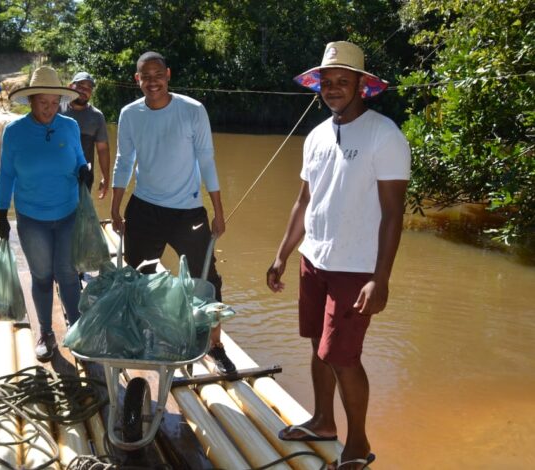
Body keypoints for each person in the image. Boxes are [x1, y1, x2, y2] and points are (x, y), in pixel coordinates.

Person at [266, 41, 410, 469]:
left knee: (342, 356)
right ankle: (324, 421)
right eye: (326, 82)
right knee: (317, 345)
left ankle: (359, 444)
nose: (332, 89)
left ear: (362, 86)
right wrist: (282, 255)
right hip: (316, 259)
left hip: (356, 268)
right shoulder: (316, 136)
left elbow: (393, 213)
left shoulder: (385, 135)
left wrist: (379, 278)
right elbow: (303, 202)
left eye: (342, 82)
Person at [111, 51, 236, 374]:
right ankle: (142, 334)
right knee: (139, 275)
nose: (152, 82)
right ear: (137, 80)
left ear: (168, 74)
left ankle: (214, 344)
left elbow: (207, 160)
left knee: (206, 278)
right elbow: (124, 160)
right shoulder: (129, 114)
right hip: (144, 208)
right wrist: (115, 206)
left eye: (158, 75)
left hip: (188, 211)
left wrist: (217, 211)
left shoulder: (192, 110)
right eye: (145, 77)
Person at [0, 65, 92, 361]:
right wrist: (1, 213)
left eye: (54, 104)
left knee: (67, 275)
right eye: (43, 103)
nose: (49, 109)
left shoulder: (69, 126)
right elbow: (6, 174)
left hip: (67, 213)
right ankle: (46, 333)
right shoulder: (14, 132)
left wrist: (83, 170)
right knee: (41, 276)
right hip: (31, 218)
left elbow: (79, 158)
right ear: (32, 101)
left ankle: (76, 330)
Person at [60, 71, 111, 199]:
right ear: (70, 86)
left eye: (89, 88)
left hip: (84, 176)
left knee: (80, 214)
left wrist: (106, 177)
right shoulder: (57, 109)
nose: (85, 90)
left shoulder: (97, 116)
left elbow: (103, 149)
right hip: (56, 174)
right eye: (81, 86)